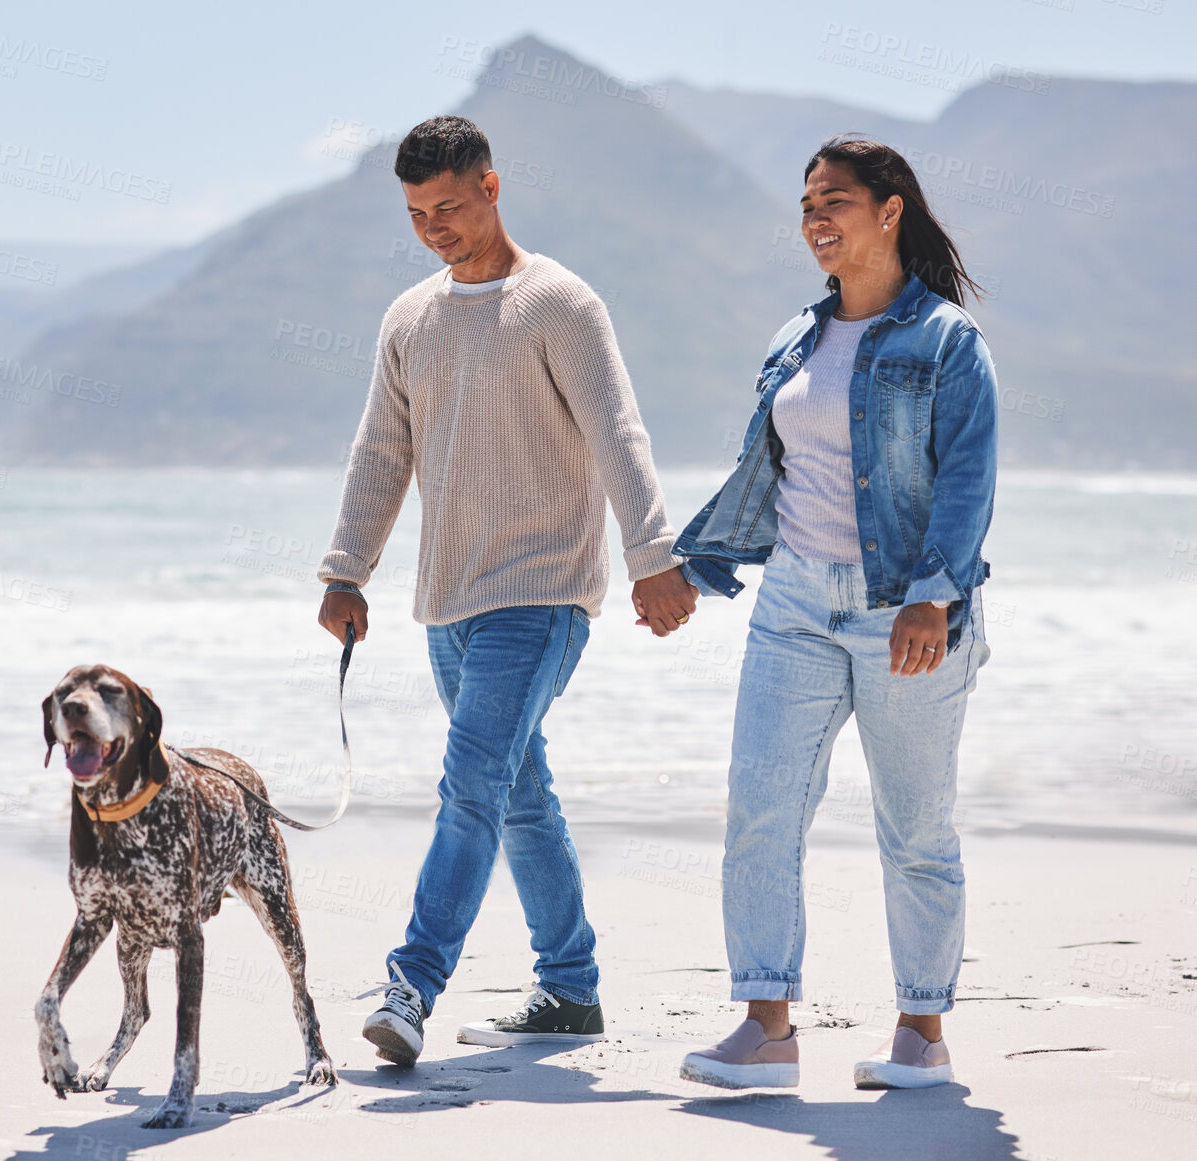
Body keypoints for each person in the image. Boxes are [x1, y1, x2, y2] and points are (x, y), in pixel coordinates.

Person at [314, 115, 696, 1067]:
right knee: (519, 795)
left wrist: (653, 553)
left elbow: (619, 431)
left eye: (447, 205)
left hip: (541, 592)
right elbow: (381, 452)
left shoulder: (558, 304)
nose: (433, 226)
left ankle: (411, 982)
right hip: (446, 603)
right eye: (414, 213)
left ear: (491, 187)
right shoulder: (409, 319)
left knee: (471, 785)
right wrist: (345, 568)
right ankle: (569, 990)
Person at [675, 135, 997, 1091]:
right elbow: (766, 477)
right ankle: (767, 1026)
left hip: (905, 609)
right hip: (792, 603)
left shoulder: (945, 340)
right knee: (761, 810)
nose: (816, 218)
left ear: (888, 210)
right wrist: (693, 571)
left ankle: (921, 1032)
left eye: (836, 201)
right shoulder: (794, 336)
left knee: (914, 826)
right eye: (807, 202)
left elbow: (967, 479)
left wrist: (932, 595)